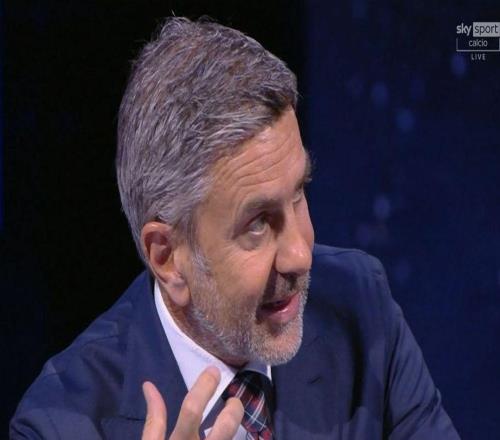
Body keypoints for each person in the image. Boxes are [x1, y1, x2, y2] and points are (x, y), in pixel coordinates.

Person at [10, 17, 460, 439]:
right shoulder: (59, 424)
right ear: (168, 257)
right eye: (258, 224)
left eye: (298, 193)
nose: (300, 254)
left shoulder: (362, 312)